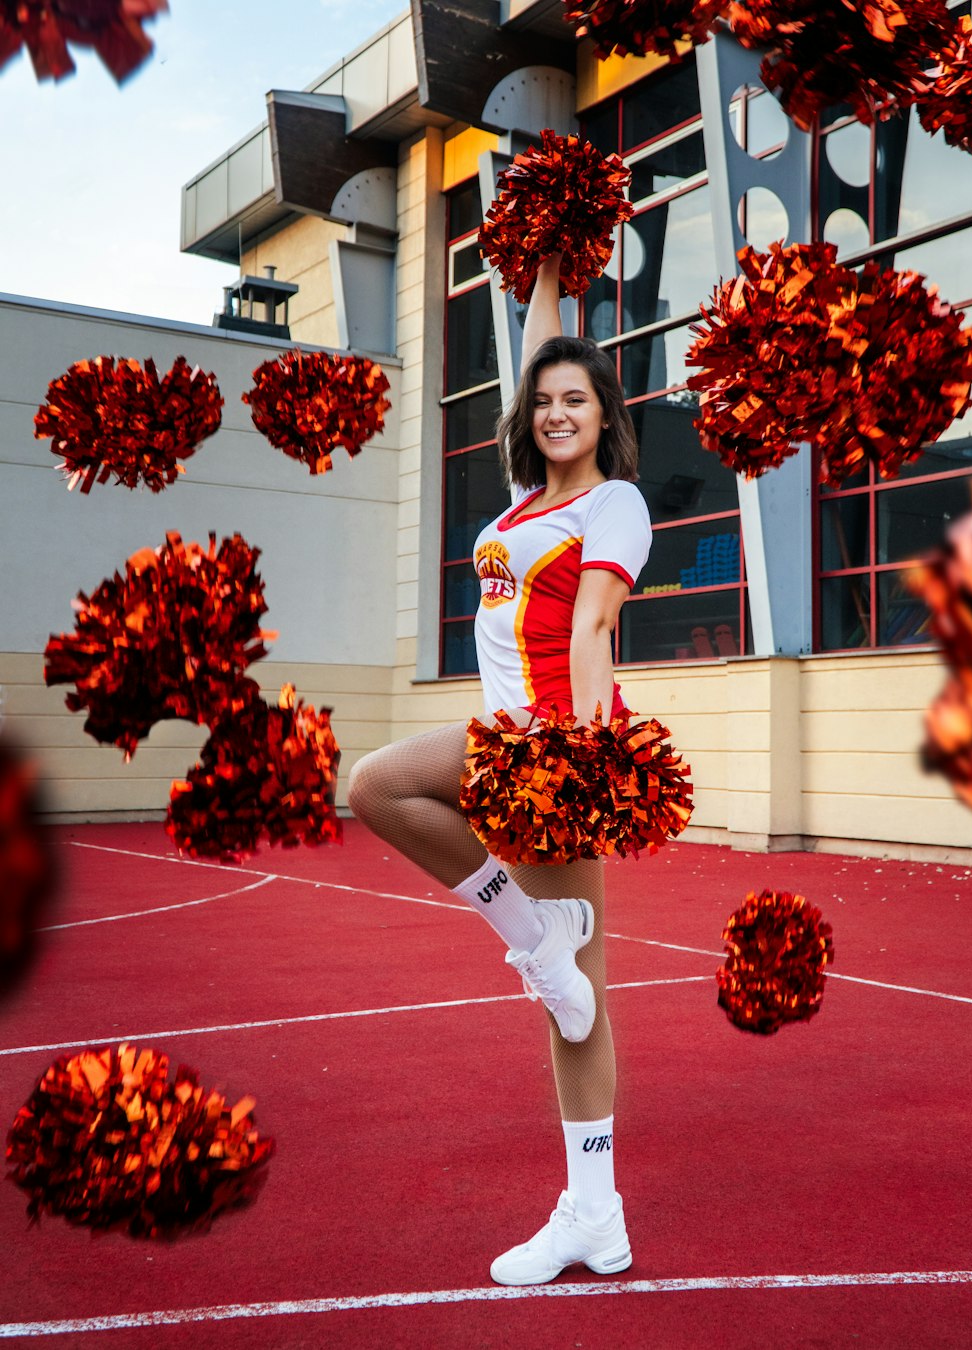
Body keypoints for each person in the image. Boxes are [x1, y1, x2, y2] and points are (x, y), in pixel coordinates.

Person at [347, 250, 652, 1286]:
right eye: (545, 401)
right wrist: (548, 266)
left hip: (553, 750)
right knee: (377, 785)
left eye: (578, 400)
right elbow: (536, 356)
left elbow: (594, 629)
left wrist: (585, 759)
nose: (558, 410)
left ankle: (592, 1213)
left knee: (580, 1006)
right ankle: (534, 932)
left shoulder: (611, 506)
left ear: (605, 417)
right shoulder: (524, 499)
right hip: (497, 735)